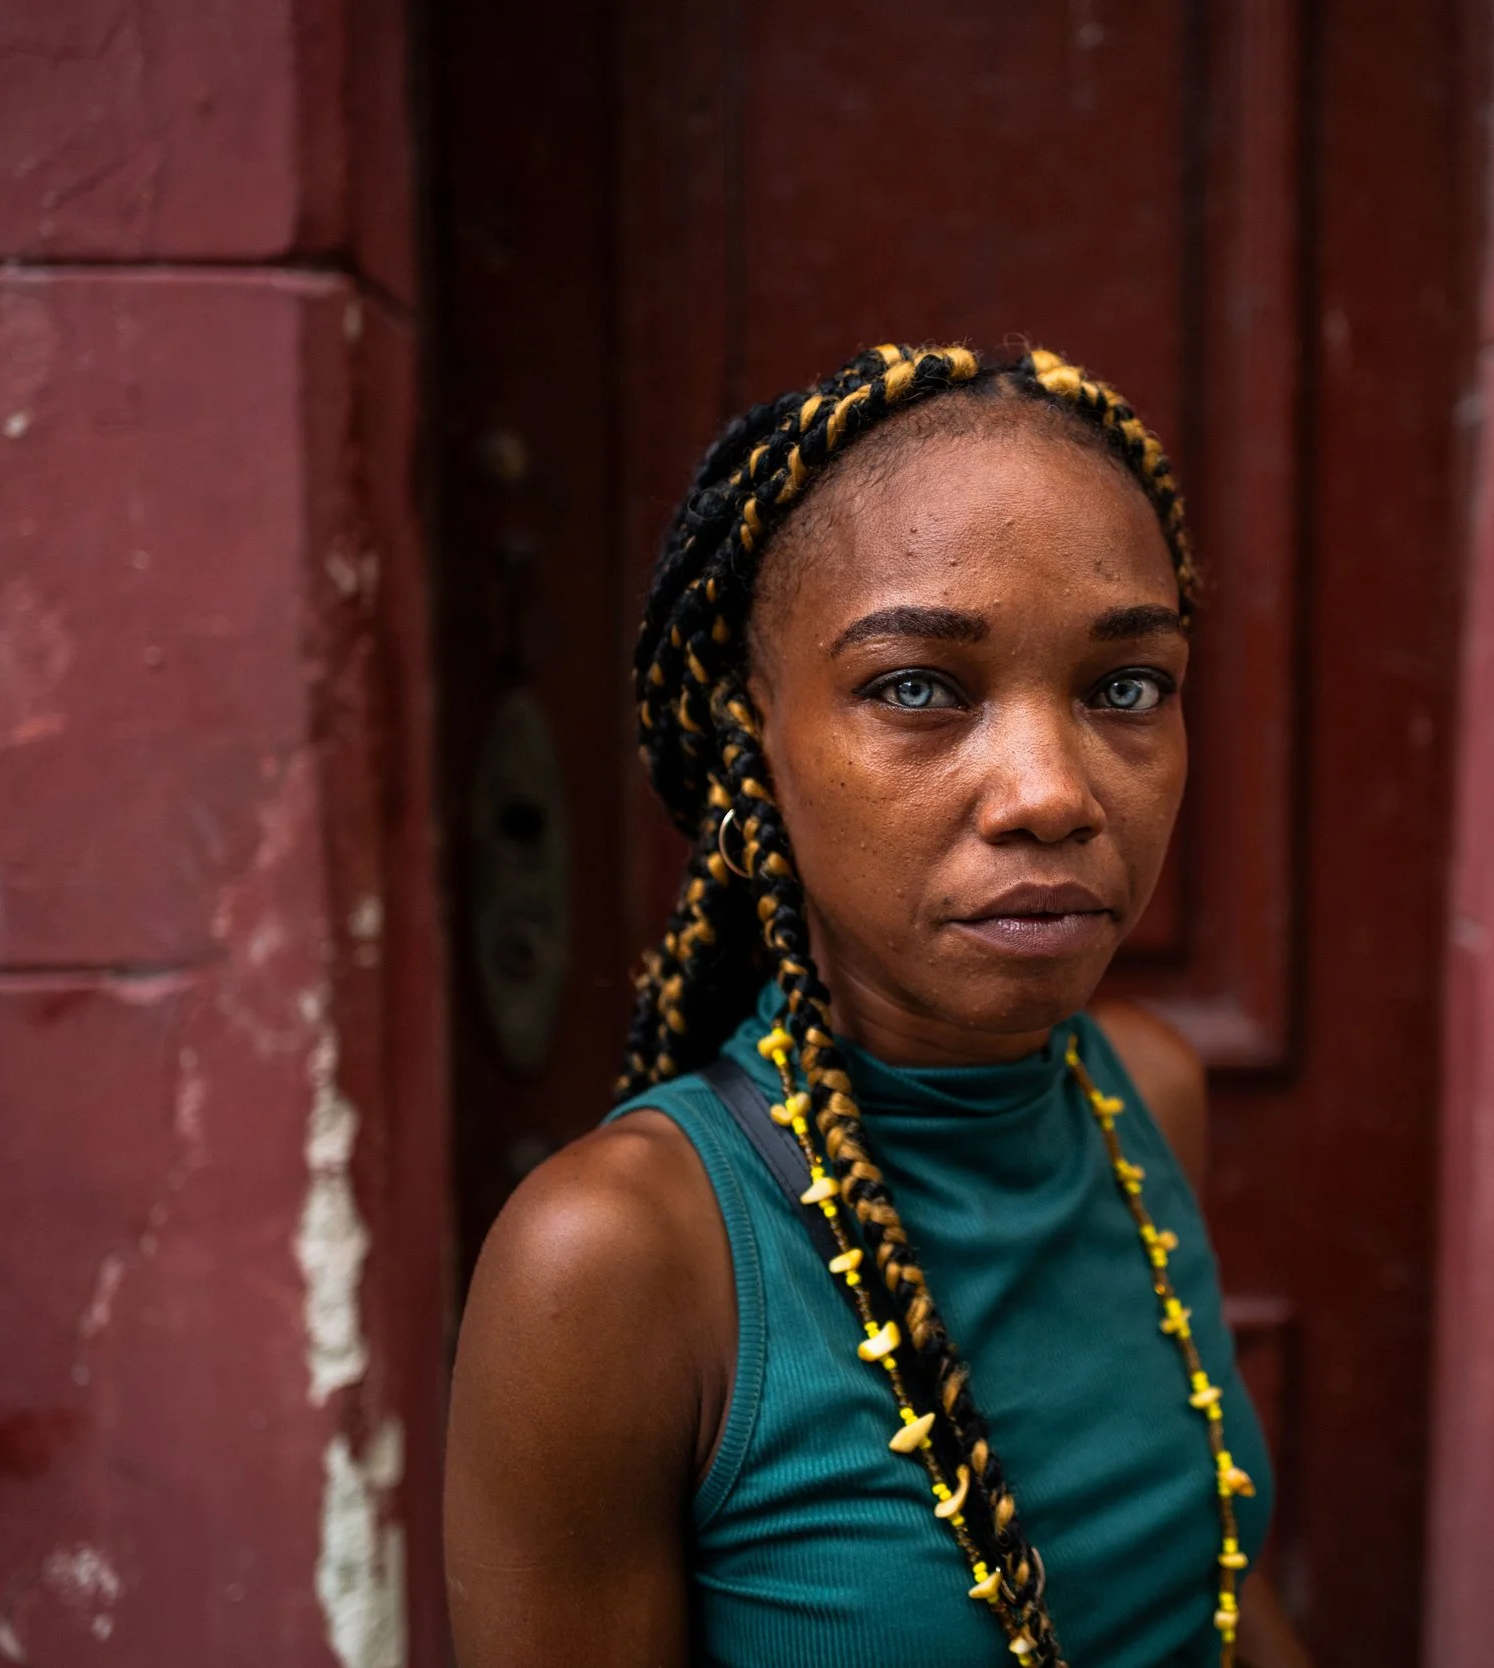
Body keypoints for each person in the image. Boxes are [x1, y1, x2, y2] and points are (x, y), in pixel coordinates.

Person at [445, 344, 1309, 1668]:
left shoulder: (1146, 1095)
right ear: (758, 732)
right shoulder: (618, 1263)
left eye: (1124, 687)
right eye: (919, 688)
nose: (1052, 793)